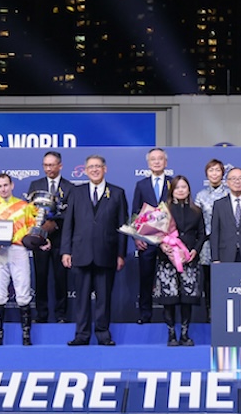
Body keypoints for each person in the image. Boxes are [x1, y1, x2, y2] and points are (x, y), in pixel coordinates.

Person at [61, 155, 128, 346]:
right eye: (91, 167)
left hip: (107, 253)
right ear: (85, 170)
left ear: (105, 169)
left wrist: (120, 254)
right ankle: (81, 335)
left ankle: (103, 334)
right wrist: (66, 251)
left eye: (98, 166)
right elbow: (69, 224)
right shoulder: (76, 192)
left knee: (104, 299)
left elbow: (122, 226)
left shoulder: (117, 192)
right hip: (80, 253)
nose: (95, 170)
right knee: (81, 299)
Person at [0, 173, 39, 346]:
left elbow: (33, 228)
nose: (3, 189)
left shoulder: (25, 206)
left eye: (6, 185)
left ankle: (26, 335)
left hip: (18, 250)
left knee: (23, 292)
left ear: (12, 185)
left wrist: (36, 240)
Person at [155, 175, 204, 346]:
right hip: (167, 260)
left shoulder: (197, 210)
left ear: (189, 190)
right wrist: (162, 245)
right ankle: (171, 334)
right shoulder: (163, 210)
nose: (181, 190)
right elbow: (155, 234)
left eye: (184, 187)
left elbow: (202, 234)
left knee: (186, 299)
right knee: (169, 298)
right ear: (172, 191)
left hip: (189, 259)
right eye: (177, 187)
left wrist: (194, 251)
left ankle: (185, 334)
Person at [27, 151, 75, 323]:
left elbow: (71, 214)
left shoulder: (70, 187)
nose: (48, 168)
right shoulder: (35, 184)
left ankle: (61, 314)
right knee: (40, 277)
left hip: (61, 240)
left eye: (52, 165)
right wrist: (41, 230)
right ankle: (41, 314)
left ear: (60, 166)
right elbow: (29, 212)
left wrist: (54, 225)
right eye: (45, 165)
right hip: (39, 240)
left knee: (61, 279)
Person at [132, 147, 172, 324]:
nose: (156, 162)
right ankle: (145, 314)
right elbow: (135, 212)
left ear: (166, 162)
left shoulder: (174, 183)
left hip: (168, 240)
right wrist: (136, 237)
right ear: (148, 163)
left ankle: (169, 316)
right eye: (153, 159)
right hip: (147, 240)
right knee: (146, 277)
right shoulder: (141, 185)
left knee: (168, 278)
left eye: (160, 159)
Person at [194, 158, 229, 319]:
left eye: (217, 170)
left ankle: (226, 310)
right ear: (206, 174)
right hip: (207, 243)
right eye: (211, 170)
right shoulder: (200, 195)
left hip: (226, 241)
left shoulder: (229, 192)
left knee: (225, 276)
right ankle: (210, 311)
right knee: (208, 278)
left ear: (223, 173)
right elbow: (197, 221)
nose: (214, 173)